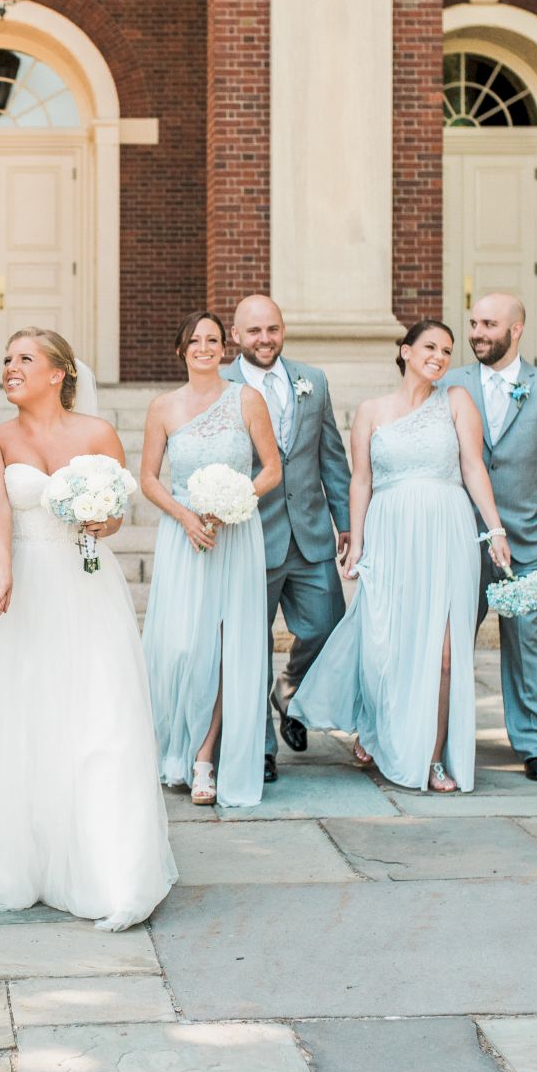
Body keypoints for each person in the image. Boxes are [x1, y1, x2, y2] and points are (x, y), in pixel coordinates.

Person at [0, 328, 176, 931]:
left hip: (84, 584)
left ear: (58, 373)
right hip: (17, 589)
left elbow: (114, 518)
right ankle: (5, 859)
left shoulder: (96, 435)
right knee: (7, 719)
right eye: (6, 358)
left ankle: (104, 865)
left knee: (93, 716)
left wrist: (96, 520)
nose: (9, 367)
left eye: (24, 360)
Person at [294, 319, 511, 793]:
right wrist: (357, 540)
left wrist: (494, 527)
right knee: (383, 646)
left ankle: (432, 757)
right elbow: (361, 481)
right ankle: (377, 727)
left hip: (447, 530)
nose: (439, 356)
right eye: (430, 346)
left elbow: (473, 467)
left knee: (445, 656)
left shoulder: (457, 402)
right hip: (391, 533)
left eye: (447, 351)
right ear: (406, 350)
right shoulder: (371, 410)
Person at [140, 311, 283, 809]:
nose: (204, 347)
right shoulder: (163, 407)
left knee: (224, 648)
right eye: (195, 340)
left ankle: (203, 759)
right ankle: (173, 748)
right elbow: (149, 479)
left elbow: (272, 469)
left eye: (213, 340)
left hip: (235, 536)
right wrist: (184, 516)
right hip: (183, 537)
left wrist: (232, 501)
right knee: (180, 646)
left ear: (226, 349)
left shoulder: (246, 399)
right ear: (181, 350)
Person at [440, 293, 537, 781]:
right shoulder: (448, 381)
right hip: (463, 537)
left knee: (530, 646)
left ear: (517, 329)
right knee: (451, 643)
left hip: (531, 542)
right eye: (474, 323)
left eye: (489, 324)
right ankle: (444, 737)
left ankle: (536, 743)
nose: (477, 332)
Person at [220, 294, 350, 780]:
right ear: (236, 336)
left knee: (327, 625)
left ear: (283, 330)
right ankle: (261, 749)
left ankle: (290, 689)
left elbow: (331, 455)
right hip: (251, 535)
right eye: (254, 331)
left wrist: (346, 523)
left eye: (272, 329)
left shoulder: (311, 381)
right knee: (250, 645)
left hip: (312, 532)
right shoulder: (222, 384)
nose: (265, 339)